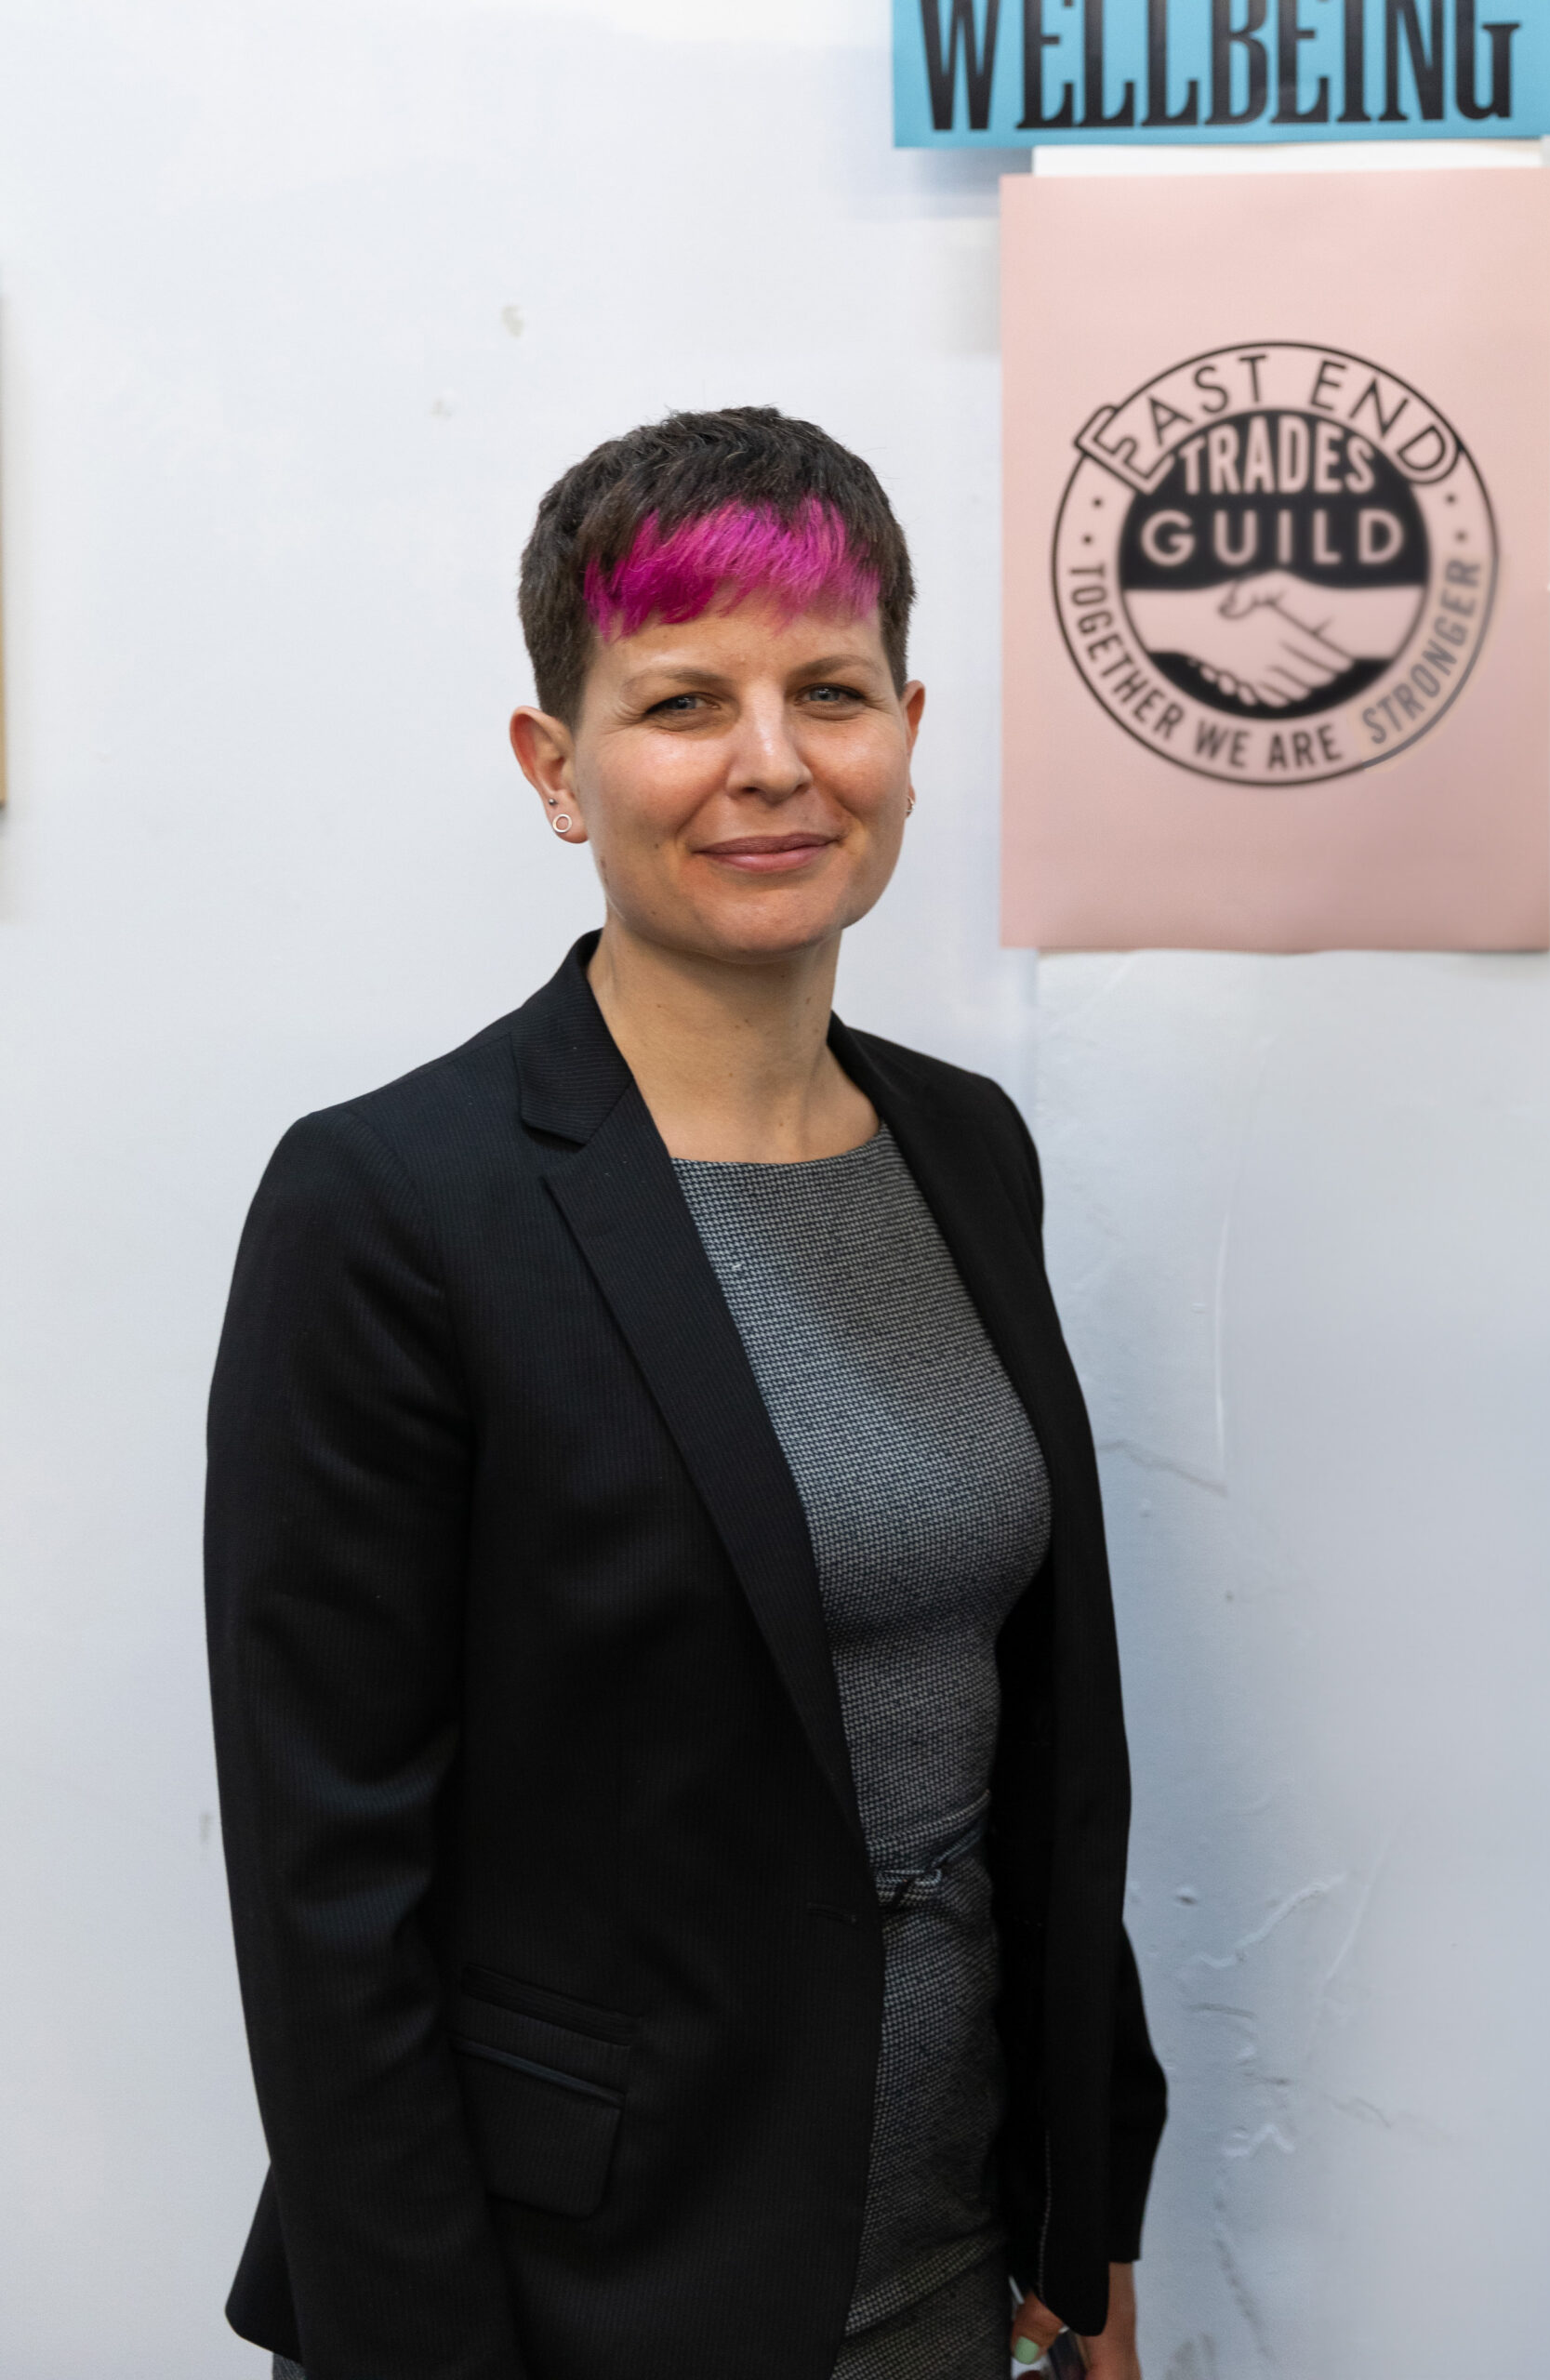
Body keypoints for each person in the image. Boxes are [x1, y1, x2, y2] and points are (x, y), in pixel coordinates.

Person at [206, 405, 1166, 2380]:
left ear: (907, 729)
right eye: (681, 701)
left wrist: (1089, 2216)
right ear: (554, 766)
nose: (772, 760)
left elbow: (1037, 1753)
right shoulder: (393, 1204)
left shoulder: (967, 1148)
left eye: (831, 691)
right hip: (574, 2306)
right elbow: (329, 1898)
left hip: (949, 2273)